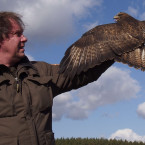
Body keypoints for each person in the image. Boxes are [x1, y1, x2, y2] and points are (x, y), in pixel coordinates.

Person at [0, 11, 114, 145]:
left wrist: (116, 50)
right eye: (18, 34)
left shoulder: (40, 71)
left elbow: (82, 73)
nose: (25, 39)